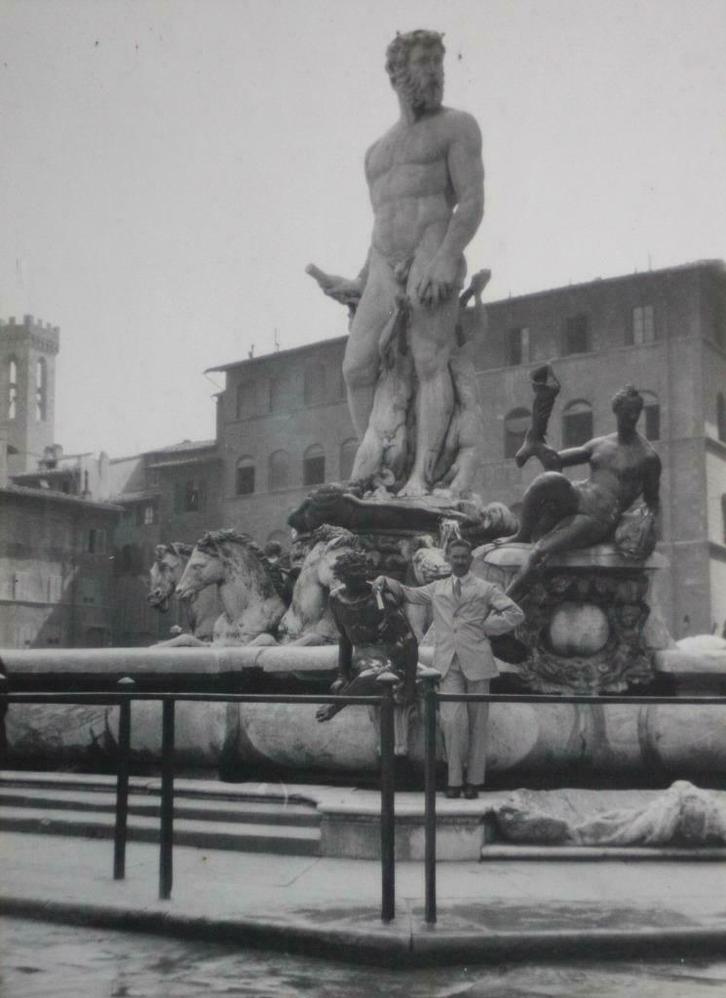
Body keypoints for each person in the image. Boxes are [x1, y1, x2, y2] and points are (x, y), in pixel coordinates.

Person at [308, 29, 485, 496]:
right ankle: (379, 467)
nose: (436, 71)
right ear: (398, 72)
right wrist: (358, 280)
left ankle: (420, 479)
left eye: (439, 62)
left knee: (430, 362)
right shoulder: (376, 154)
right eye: (425, 61)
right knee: (356, 366)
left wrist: (446, 258)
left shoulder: (457, 126)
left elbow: (470, 202)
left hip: (432, 255)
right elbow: (382, 225)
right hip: (384, 266)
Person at [374, 537, 524, 798]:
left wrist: (486, 628)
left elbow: (515, 613)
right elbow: (409, 593)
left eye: (464, 557)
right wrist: (386, 581)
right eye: (455, 557)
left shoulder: (485, 588)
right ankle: (454, 780)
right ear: (448, 558)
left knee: (478, 723)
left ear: (470, 559)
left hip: (478, 662)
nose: (460, 561)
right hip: (447, 663)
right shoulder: (436, 588)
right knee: (452, 721)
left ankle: (474, 782)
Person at [498, 385, 662, 600]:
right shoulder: (601, 444)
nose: (632, 416)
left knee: (540, 552)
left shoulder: (648, 457)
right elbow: (555, 461)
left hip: (600, 516)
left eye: (636, 412)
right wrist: (536, 444)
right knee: (548, 480)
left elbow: (652, 501)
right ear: (617, 411)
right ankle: (521, 534)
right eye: (627, 411)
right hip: (579, 494)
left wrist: (645, 528)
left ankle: (504, 604)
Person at [316, 550, 418, 724]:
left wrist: (409, 685)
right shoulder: (335, 599)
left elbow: (409, 638)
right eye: (352, 577)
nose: (359, 581)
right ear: (341, 576)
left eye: (361, 575)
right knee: (362, 675)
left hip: (388, 656)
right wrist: (342, 675)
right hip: (362, 657)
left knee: (371, 675)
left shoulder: (378, 596)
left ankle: (335, 706)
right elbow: (344, 638)